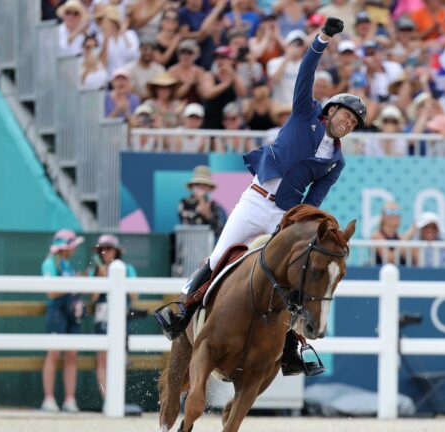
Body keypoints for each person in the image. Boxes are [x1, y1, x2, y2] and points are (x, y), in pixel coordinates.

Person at [154, 17, 367, 377]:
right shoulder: (304, 114)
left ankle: (292, 348)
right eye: (345, 115)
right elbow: (306, 71)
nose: (347, 122)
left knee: (295, 278)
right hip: (255, 201)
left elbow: (314, 199)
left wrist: (301, 228)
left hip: (284, 216)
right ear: (331, 110)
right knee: (221, 254)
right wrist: (323, 38)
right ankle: (184, 310)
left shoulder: (337, 161)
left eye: (353, 122)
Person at [87, 234, 138, 412]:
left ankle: (116, 399)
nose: (105, 252)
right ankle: (107, 400)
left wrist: (116, 278)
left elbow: (134, 295)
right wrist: (101, 279)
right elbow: (93, 298)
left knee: (120, 358)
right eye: (102, 249)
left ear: (116, 250)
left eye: (109, 248)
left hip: (122, 318)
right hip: (102, 317)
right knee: (101, 359)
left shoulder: (127, 268)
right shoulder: (95, 270)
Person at [40, 229, 85, 413]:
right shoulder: (50, 264)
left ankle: (69, 399)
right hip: (57, 311)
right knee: (53, 354)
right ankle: (49, 399)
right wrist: (73, 284)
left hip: (71, 312)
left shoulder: (67, 265)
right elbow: (51, 292)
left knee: (72, 355)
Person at [178, 166, 228, 238]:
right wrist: (200, 208)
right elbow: (186, 224)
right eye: (198, 184)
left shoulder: (213, 205)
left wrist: (208, 215)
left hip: (208, 246)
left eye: (205, 184)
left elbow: (219, 230)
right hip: (187, 244)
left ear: (209, 188)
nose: (201, 186)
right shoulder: (184, 202)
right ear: (192, 186)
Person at [371, 201, 414, 265]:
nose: (394, 215)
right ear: (383, 216)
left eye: (397, 212)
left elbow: (413, 260)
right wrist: (407, 238)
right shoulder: (376, 236)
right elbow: (388, 259)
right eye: (390, 212)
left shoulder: (400, 237)